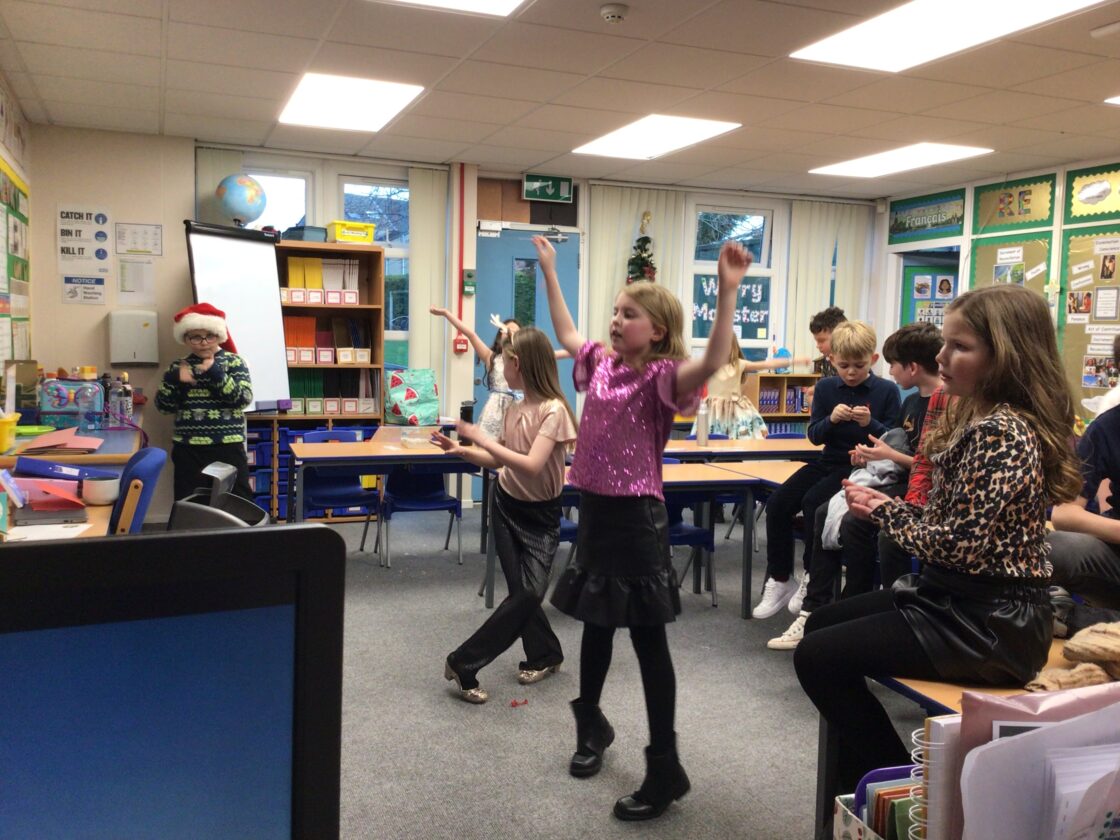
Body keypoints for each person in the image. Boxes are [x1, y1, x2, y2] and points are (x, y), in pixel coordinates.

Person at [794, 284, 1082, 796]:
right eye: (945, 343)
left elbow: (958, 546)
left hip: (990, 623)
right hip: (957, 598)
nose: (941, 357)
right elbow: (952, 525)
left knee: (817, 656)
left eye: (960, 346)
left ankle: (902, 790)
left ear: (1006, 355)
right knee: (820, 626)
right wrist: (892, 507)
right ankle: (860, 793)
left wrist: (885, 511)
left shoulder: (1002, 432)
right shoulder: (978, 416)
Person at [538, 234, 747, 821]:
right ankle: (591, 727)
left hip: (637, 519)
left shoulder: (662, 376)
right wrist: (550, 271)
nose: (616, 320)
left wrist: (726, 292)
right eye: (615, 311)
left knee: (648, 642)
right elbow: (567, 333)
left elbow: (711, 360)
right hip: (597, 511)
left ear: (656, 330)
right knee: (596, 625)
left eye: (629, 314)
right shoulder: (601, 364)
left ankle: (665, 767)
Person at [768, 322, 943, 650]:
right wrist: (870, 455)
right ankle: (818, 607)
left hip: (911, 487)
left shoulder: (933, 402)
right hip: (881, 473)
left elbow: (928, 463)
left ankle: (864, 610)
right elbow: (894, 445)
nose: (890, 371)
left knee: (853, 519)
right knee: (823, 510)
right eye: (843, 365)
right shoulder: (911, 403)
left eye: (892, 364)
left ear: (912, 367)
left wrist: (883, 451)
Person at [433, 327, 578, 703]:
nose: (500, 367)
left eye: (506, 361)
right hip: (506, 505)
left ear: (519, 365)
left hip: (541, 516)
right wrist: (463, 450)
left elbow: (530, 465)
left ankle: (472, 657)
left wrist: (482, 438)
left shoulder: (554, 411)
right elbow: (499, 461)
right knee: (522, 593)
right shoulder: (514, 409)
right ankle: (522, 657)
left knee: (528, 593)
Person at [755, 320, 900, 620]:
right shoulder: (825, 388)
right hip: (827, 460)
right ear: (832, 360)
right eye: (843, 366)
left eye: (859, 366)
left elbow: (895, 441)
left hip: (862, 467)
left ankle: (811, 576)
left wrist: (870, 424)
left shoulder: (886, 390)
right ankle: (780, 578)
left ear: (873, 360)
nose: (851, 372)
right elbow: (814, 436)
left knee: (813, 503)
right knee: (778, 503)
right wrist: (830, 420)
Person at [155, 302, 254, 500]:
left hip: (227, 446)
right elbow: (163, 407)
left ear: (219, 336)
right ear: (185, 338)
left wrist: (216, 373)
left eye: (210, 336)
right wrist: (173, 380)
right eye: (196, 337)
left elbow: (243, 400)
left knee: (236, 499)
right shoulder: (178, 366)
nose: (203, 342)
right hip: (188, 448)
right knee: (190, 501)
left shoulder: (234, 362)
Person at [430, 306, 520, 439]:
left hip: (516, 410)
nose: (510, 335)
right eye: (506, 331)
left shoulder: (524, 360)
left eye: (514, 333)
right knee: (489, 444)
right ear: (500, 335)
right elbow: (470, 334)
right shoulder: (492, 358)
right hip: (494, 413)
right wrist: (446, 313)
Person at [692, 342, 807, 440]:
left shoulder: (739, 364)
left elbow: (767, 364)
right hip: (713, 413)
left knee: (739, 444)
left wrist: (793, 361)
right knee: (711, 442)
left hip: (736, 413)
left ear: (732, 346)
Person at [810, 306, 847, 378]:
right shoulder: (827, 359)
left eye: (821, 341)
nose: (817, 346)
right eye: (817, 341)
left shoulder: (854, 362)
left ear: (840, 336)